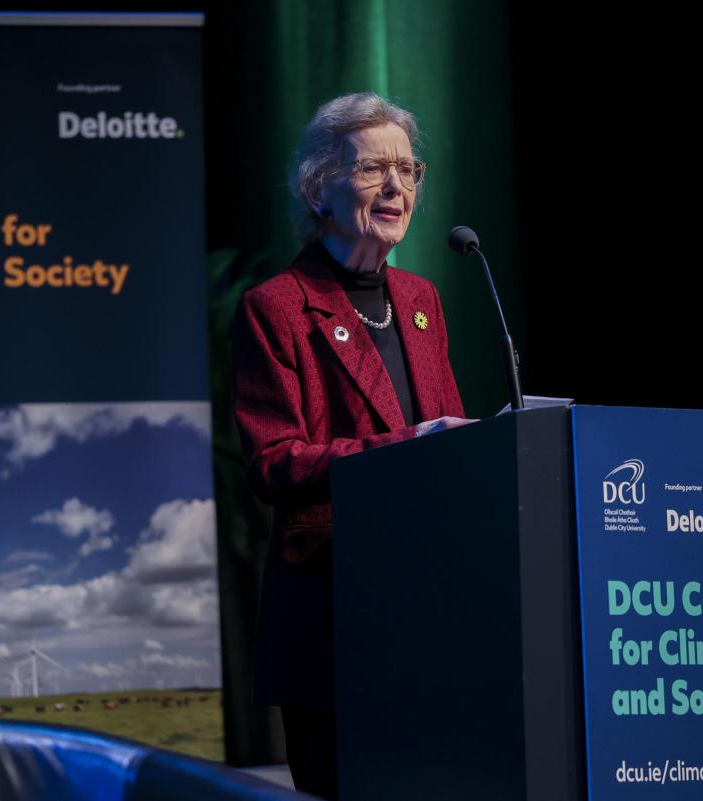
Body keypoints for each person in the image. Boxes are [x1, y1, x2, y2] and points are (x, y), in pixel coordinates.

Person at [232, 92, 474, 799]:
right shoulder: (275, 306)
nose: (397, 187)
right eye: (373, 170)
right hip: (332, 614)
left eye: (408, 169)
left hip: (429, 608)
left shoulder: (423, 300)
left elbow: (451, 440)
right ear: (319, 188)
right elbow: (273, 460)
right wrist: (408, 444)